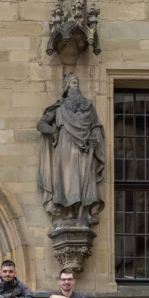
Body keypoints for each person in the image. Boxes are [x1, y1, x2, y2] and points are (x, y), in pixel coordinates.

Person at [36, 72, 106, 228]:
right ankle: (69, 213)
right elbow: (41, 125)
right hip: (66, 147)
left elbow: (96, 127)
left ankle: (85, 213)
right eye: (73, 84)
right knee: (68, 179)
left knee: (84, 177)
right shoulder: (59, 108)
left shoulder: (88, 106)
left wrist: (94, 138)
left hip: (85, 148)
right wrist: (54, 131)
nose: (76, 87)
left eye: (77, 84)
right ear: (67, 87)